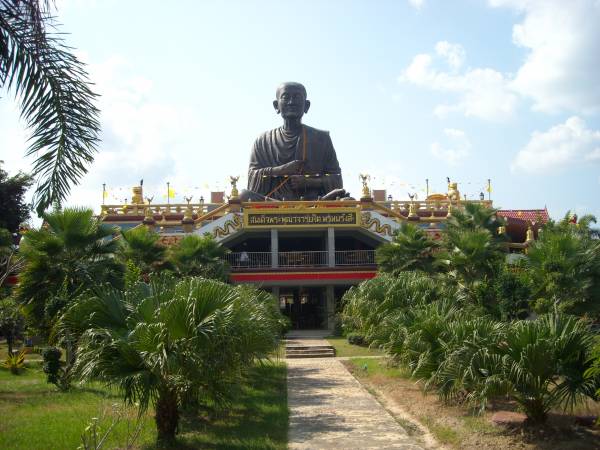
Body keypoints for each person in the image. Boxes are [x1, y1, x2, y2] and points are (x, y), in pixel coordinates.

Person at [240, 82, 348, 201]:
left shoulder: (321, 138)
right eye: (286, 97)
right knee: (243, 195)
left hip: (313, 204)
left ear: (306, 106)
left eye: (297, 97)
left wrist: (309, 182)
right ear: (276, 106)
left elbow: (336, 179)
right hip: (274, 204)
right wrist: (282, 170)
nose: (291, 102)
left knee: (347, 200)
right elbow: (252, 178)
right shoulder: (262, 141)